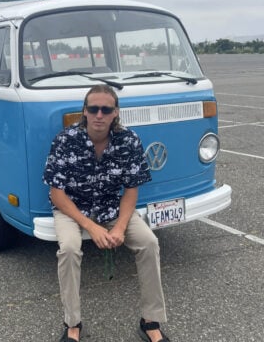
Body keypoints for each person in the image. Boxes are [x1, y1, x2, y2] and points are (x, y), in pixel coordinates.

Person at [43, 85, 170, 342]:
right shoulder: (65, 140)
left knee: (149, 243)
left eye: (106, 109)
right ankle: (72, 324)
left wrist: (120, 227)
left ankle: (150, 321)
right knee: (69, 249)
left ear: (115, 113)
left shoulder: (129, 140)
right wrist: (92, 227)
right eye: (93, 109)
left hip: (112, 209)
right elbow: (57, 194)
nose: (99, 115)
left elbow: (131, 191)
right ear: (85, 112)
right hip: (72, 210)